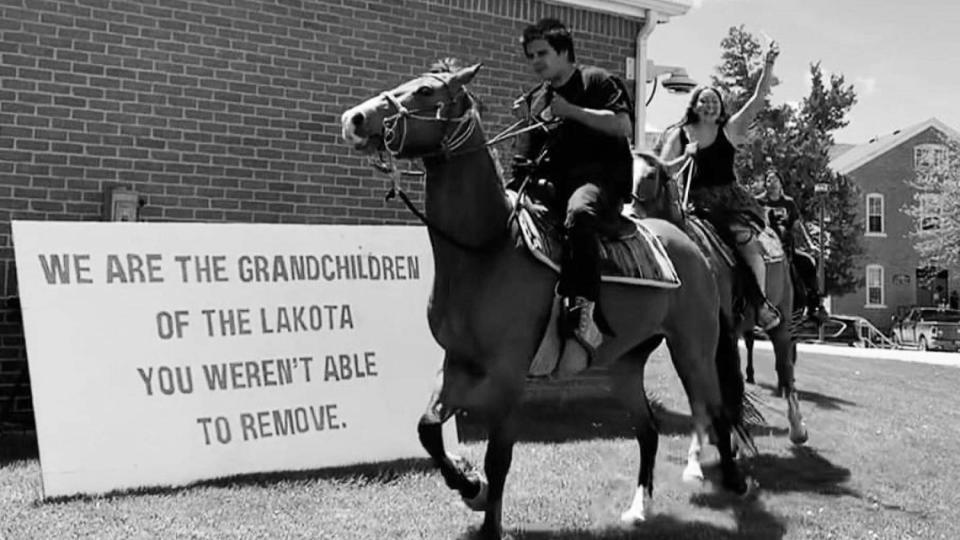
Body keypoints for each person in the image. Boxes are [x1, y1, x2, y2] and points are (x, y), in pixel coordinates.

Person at [513, 18, 634, 372]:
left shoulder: (597, 81)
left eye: (543, 53)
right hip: (553, 186)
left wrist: (571, 112)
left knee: (579, 213)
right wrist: (525, 129)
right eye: (530, 55)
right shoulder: (537, 100)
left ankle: (586, 310)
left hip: (599, 184)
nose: (536, 61)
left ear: (565, 52)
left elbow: (623, 125)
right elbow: (525, 157)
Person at [659, 42, 782, 331]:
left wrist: (768, 65)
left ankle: (760, 303)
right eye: (704, 100)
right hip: (693, 202)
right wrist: (684, 156)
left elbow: (758, 98)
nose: (710, 104)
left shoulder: (729, 129)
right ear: (694, 105)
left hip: (728, 202)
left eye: (715, 100)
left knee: (746, 243)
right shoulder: (680, 133)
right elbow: (663, 170)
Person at [756, 170, 802, 253]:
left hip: (785, 244)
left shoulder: (789, 203)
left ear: (781, 184)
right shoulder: (758, 202)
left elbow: (795, 225)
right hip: (764, 243)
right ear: (765, 185)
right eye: (769, 181)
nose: (773, 183)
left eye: (775, 180)